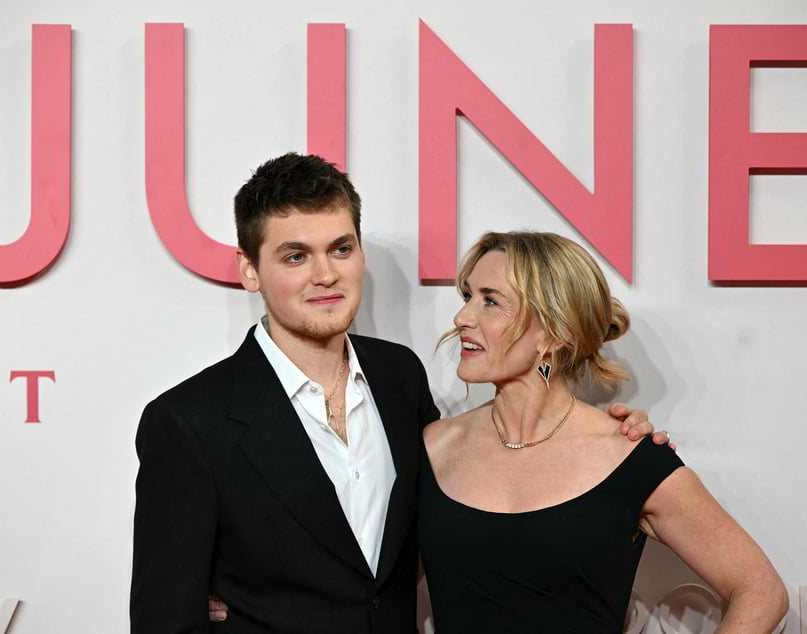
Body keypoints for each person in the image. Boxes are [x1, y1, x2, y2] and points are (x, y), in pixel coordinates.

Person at [130, 153, 662, 633]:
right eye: (295, 257)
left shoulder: (400, 378)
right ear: (250, 270)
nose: (325, 275)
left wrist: (603, 441)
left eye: (341, 249)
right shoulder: (188, 423)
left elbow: (467, 500)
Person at [418, 231, 788, 633]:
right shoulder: (433, 447)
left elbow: (761, 590)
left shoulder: (628, 455)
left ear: (552, 332)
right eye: (467, 296)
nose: (462, 318)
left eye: (490, 301)